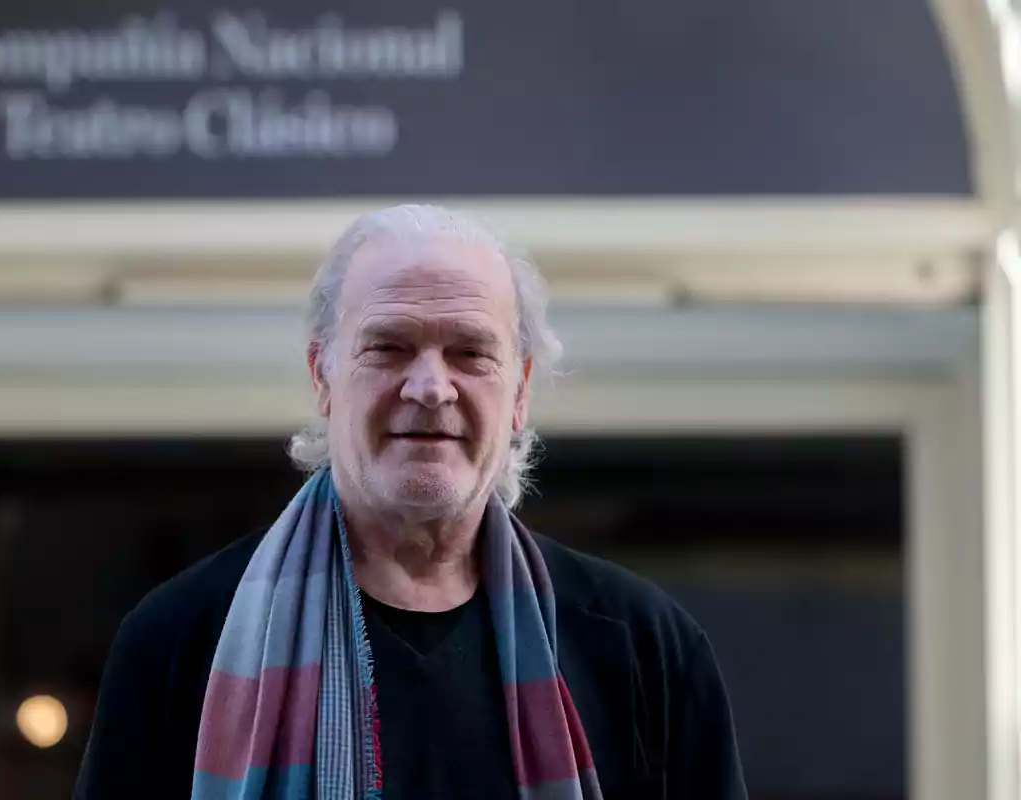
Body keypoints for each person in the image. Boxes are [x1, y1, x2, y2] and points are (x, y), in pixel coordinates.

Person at [73, 204, 747, 800]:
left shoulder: (643, 647)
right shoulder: (181, 641)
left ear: (520, 392)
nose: (430, 387)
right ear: (323, 375)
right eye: (390, 347)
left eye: (470, 353)